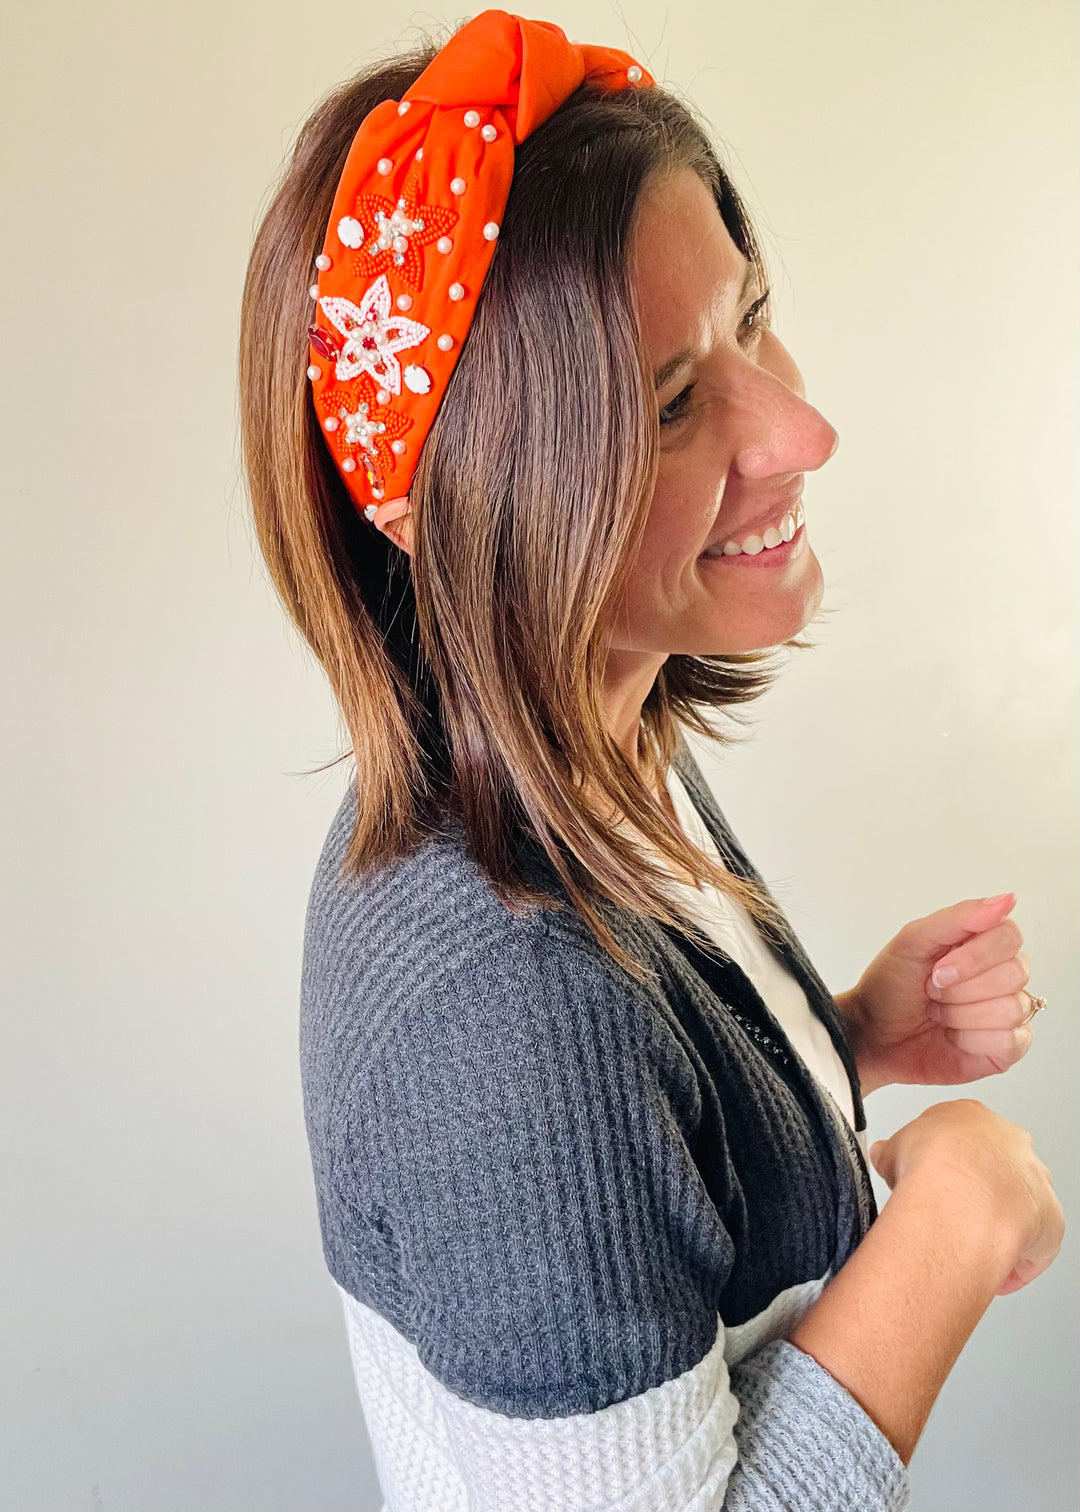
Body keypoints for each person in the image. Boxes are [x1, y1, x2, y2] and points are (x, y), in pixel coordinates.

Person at [238, 11, 1064, 1509]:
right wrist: (948, 1229)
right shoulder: (503, 1007)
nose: (802, 430)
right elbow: (566, 1083)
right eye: (676, 403)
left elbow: (648, 1149)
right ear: (484, 502)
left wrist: (840, 1038)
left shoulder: (582, 747)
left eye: (752, 317)